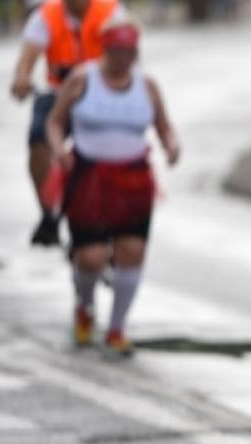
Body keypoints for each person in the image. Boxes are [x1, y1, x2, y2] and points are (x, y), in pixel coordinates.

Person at [44, 20, 180, 357]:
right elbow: (55, 121)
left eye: (129, 53)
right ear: (105, 50)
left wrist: (172, 146)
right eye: (116, 52)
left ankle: (117, 328)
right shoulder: (82, 79)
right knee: (91, 258)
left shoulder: (146, 86)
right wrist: (58, 149)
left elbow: (164, 126)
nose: (122, 59)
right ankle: (85, 308)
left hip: (133, 180)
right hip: (89, 178)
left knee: (131, 252)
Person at [10, 0, 124, 245]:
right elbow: (27, 56)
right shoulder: (47, 15)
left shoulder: (110, 11)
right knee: (37, 140)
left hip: (99, 95)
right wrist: (22, 79)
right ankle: (49, 214)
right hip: (57, 95)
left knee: (120, 147)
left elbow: (127, 55)